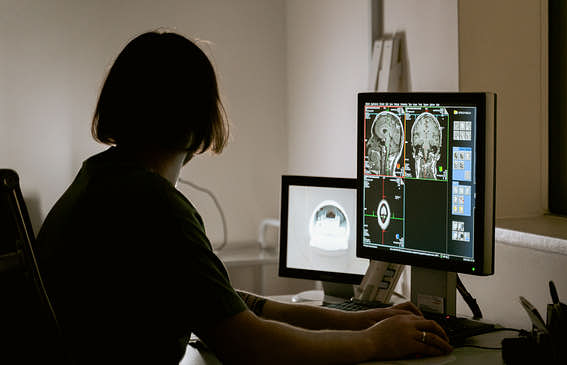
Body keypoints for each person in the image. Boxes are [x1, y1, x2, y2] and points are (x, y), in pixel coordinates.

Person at [36, 30, 452, 364]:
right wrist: (376, 345)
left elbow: (236, 305)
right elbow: (249, 344)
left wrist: (364, 322)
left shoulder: (100, 178)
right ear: (197, 116)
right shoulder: (152, 203)